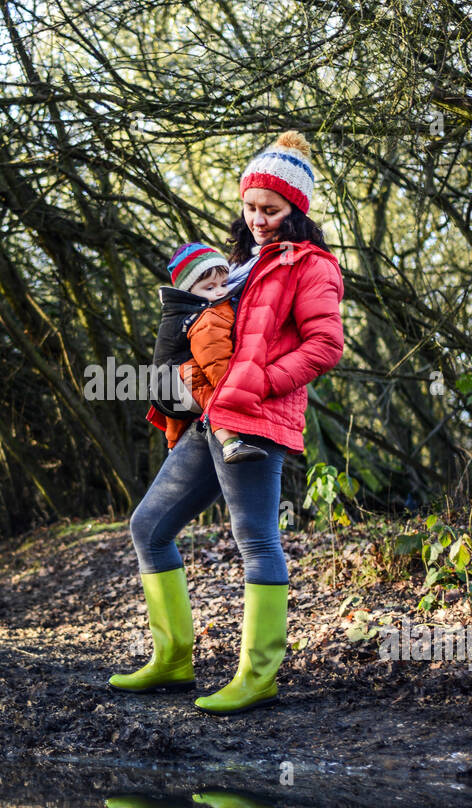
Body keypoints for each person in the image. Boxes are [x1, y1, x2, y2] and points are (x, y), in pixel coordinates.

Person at [109, 129, 344, 715]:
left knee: (257, 541)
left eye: (271, 209)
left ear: (297, 210)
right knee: (150, 526)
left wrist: (258, 381)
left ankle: (257, 676)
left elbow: (325, 346)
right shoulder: (239, 266)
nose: (258, 218)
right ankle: (172, 661)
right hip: (212, 419)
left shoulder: (312, 267)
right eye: (250, 207)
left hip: (257, 421)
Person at [149, 241, 272, 463]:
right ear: (188, 291)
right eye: (210, 287)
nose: (220, 292)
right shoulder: (203, 317)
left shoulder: (178, 309)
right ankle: (230, 442)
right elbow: (213, 358)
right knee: (212, 394)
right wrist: (230, 389)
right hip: (175, 382)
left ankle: (174, 450)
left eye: (224, 284)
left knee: (179, 421)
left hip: (163, 386)